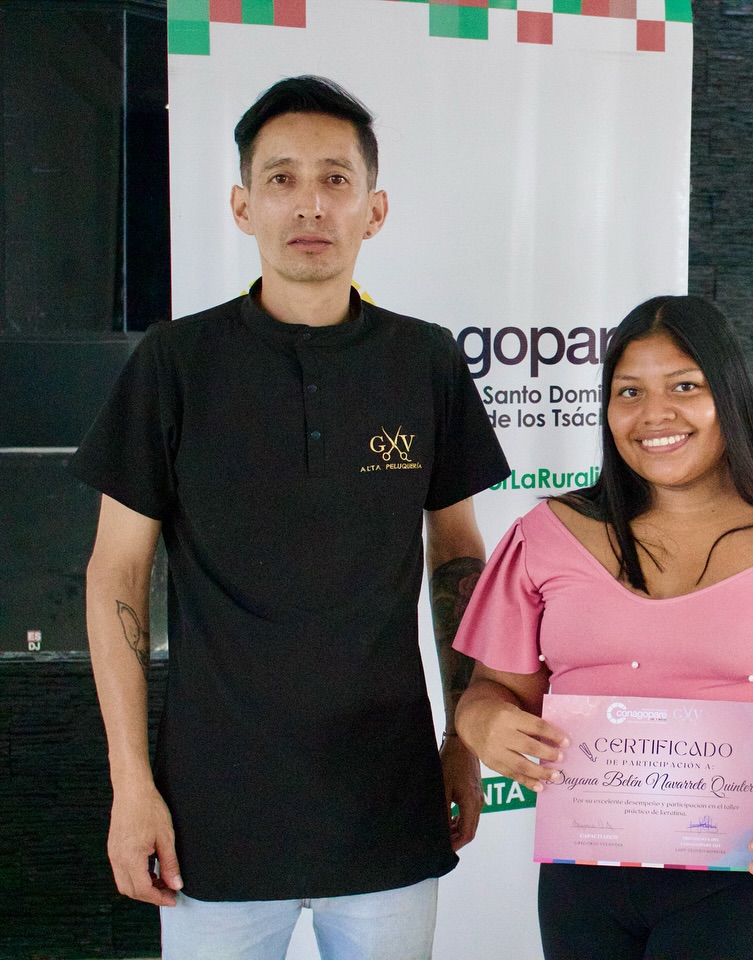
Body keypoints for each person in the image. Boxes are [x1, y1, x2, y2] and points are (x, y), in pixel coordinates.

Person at [73, 75, 509, 958]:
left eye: (335, 179)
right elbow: (116, 568)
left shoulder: (425, 360)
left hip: (386, 801)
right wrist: (130, 782)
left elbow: (458, 555)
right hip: (211, 812)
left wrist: (462, 738)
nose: (310, 203)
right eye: (281, 179)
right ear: (242, 206)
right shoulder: (174, 362)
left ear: (374, 210)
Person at [451, 295, 753, 960]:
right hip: (584, 873)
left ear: (731, 395)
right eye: (629, 392)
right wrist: (484, 725)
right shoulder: (546, 535)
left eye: (685, 387)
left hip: (748, 875)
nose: (654, 414)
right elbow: (490, 690)